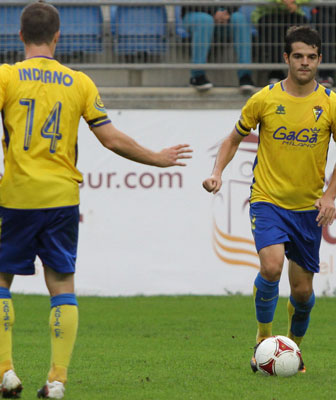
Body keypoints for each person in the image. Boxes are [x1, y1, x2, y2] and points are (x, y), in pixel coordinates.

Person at [0, 2, 192, 399]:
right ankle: (57, 380)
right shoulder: (78, 82)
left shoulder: (5, 77)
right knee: (62, 285)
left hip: (16, 195)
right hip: (61, 196)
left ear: (19, 36)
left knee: (1, 280)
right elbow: (110, 137)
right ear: (57, 37)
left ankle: (6, 372)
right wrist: (157, 157)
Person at [202, 25, 336, 373]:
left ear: (319, 59)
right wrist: (217, 172)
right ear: (286, 58)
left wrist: (330, 195)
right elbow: (232, 139)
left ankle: (292, 351)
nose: (305, 63)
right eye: (298, 56)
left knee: (301, 293)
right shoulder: (265, 99)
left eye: (311, 57)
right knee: (270, 267)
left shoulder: (332, 104)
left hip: (307, 209)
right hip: (267, 200)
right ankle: (262, 341)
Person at [182, 5, 256, 93]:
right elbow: (190, 5)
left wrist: (226, 13)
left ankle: (245, 76)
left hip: (225, 17)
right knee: (205, 20)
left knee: (239, 18)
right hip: (196, 14)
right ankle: (197, 76)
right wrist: (214, 12)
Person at [252, 0, 311, 84]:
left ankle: (297, 72)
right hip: (268, 16)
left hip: (293, 16)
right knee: (271, 29)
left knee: (301, 26)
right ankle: (275, 73)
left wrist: (295, 1)